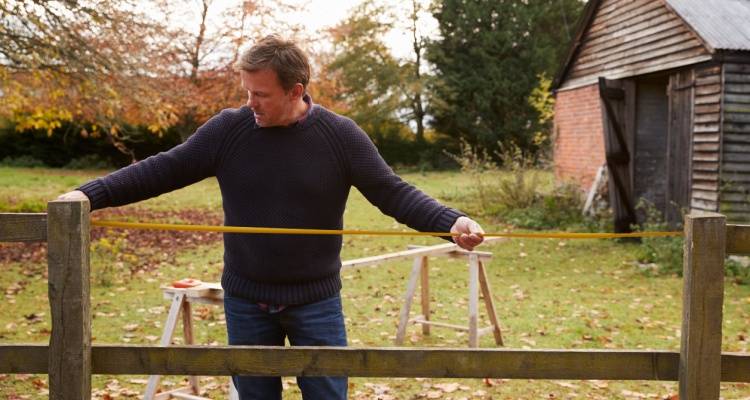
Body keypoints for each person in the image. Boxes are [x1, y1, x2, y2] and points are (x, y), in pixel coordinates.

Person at [58, 34, 484, 399]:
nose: (250, 103)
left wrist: (451, 222)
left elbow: (393, 192)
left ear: (296, 91)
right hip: (246, 302)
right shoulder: (228, 130)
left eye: (260, 95)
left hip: (316, 302)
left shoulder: (340, 137)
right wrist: (88, 194)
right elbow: (163, 168)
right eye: (246, 92)